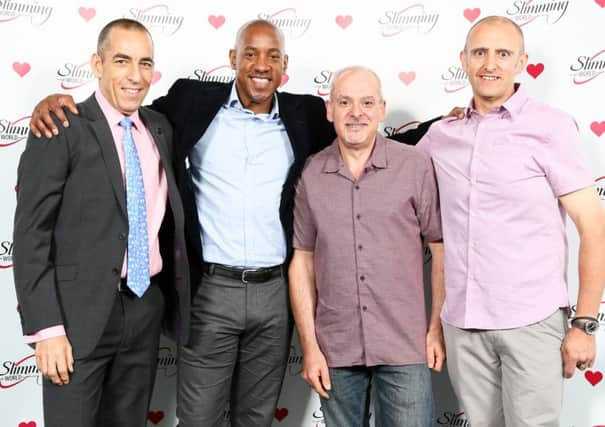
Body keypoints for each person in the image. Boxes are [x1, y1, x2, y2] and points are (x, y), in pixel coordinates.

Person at [28, 19, 457, 427]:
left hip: (274, 295)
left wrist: (446, 125)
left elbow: (365, 133)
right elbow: (123, 112)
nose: (261, 65)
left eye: (272, 56)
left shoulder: (307, 115)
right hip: (210, 292)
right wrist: (57, 103)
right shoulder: (190, 102)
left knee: (257, 417)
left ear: (284, 67)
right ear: (232, 58)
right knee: (199, 417)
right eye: (250, 53)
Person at [417, 15, 605, 427]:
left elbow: (593, 227)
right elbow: (387, 167)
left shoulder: (551, 127)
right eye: (480, 52)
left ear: (521, 62)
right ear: (463, 60)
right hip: (463, 323)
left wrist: (585, 324)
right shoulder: (441, 136)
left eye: (503, 53)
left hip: (532, 320)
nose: (490, 63)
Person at [13, 18, 189, 427]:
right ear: (97, 63)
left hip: (144, 307)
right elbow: (30, 236)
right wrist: (47, 329)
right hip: (77, 318)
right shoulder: (60, 126)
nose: (135, 75)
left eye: (145, 63)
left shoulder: (159, 128)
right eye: (122, 61)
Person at [289, 66, 445, 427]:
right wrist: (310, 348)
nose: (356, 112)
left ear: (382, 108)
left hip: (405, 345)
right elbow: (302, 262)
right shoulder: (312, 173)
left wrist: (436, 327)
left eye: (366, 102)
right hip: (336, 348)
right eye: (344, 102)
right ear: (330, 110)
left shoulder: (414, 165)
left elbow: (440, 248)